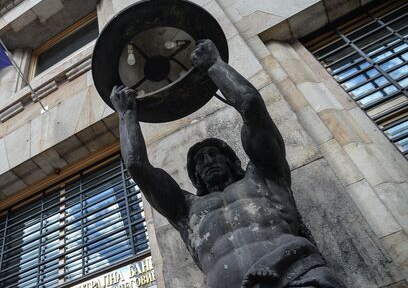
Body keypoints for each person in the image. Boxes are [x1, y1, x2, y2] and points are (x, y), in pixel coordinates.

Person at [110, 39, 346, 288]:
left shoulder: (265, 176)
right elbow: (137, 165)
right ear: (196, 178)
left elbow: (252, 107)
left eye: (214, 155)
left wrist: (215, 65)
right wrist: (126, 115)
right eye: (199, 162)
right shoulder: (186, 210)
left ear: (233, 161)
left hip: (295, 279)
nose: (208, 161)